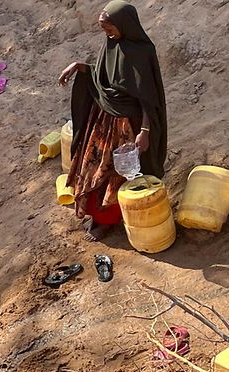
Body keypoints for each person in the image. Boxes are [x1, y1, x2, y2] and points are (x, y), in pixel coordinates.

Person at [58, 1, 167, 241]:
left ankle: (107, 221)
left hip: (128, 125)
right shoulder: (111, 43)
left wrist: (145, 130)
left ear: (125, 25)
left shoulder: (142, 52)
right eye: (105, 31)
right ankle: (96, 214)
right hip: (104, 118)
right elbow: (103, 76)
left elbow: (148, 98)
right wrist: (79, 66)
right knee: (92, 166)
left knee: (114, 172)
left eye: (110, 29)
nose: (108, 35)